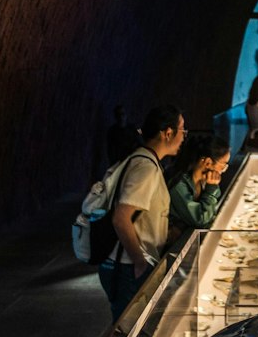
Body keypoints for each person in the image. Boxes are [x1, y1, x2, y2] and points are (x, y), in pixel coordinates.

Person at [99, 103, 185, 321]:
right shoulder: (146, 167)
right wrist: (139, 261)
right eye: (182, 130)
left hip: (126, 264)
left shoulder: (141, 158)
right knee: (130, 331)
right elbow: (121, 218)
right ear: (168, 133)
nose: (184, 136)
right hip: (127, 266)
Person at [167, 135, 231, 244]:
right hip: (175, 245)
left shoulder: (203, 181)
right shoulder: (178, 184)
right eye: (223, 165)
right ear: (207, 162)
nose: (223, 170)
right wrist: (212, 189)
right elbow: (200, 219)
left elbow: (210, 214)